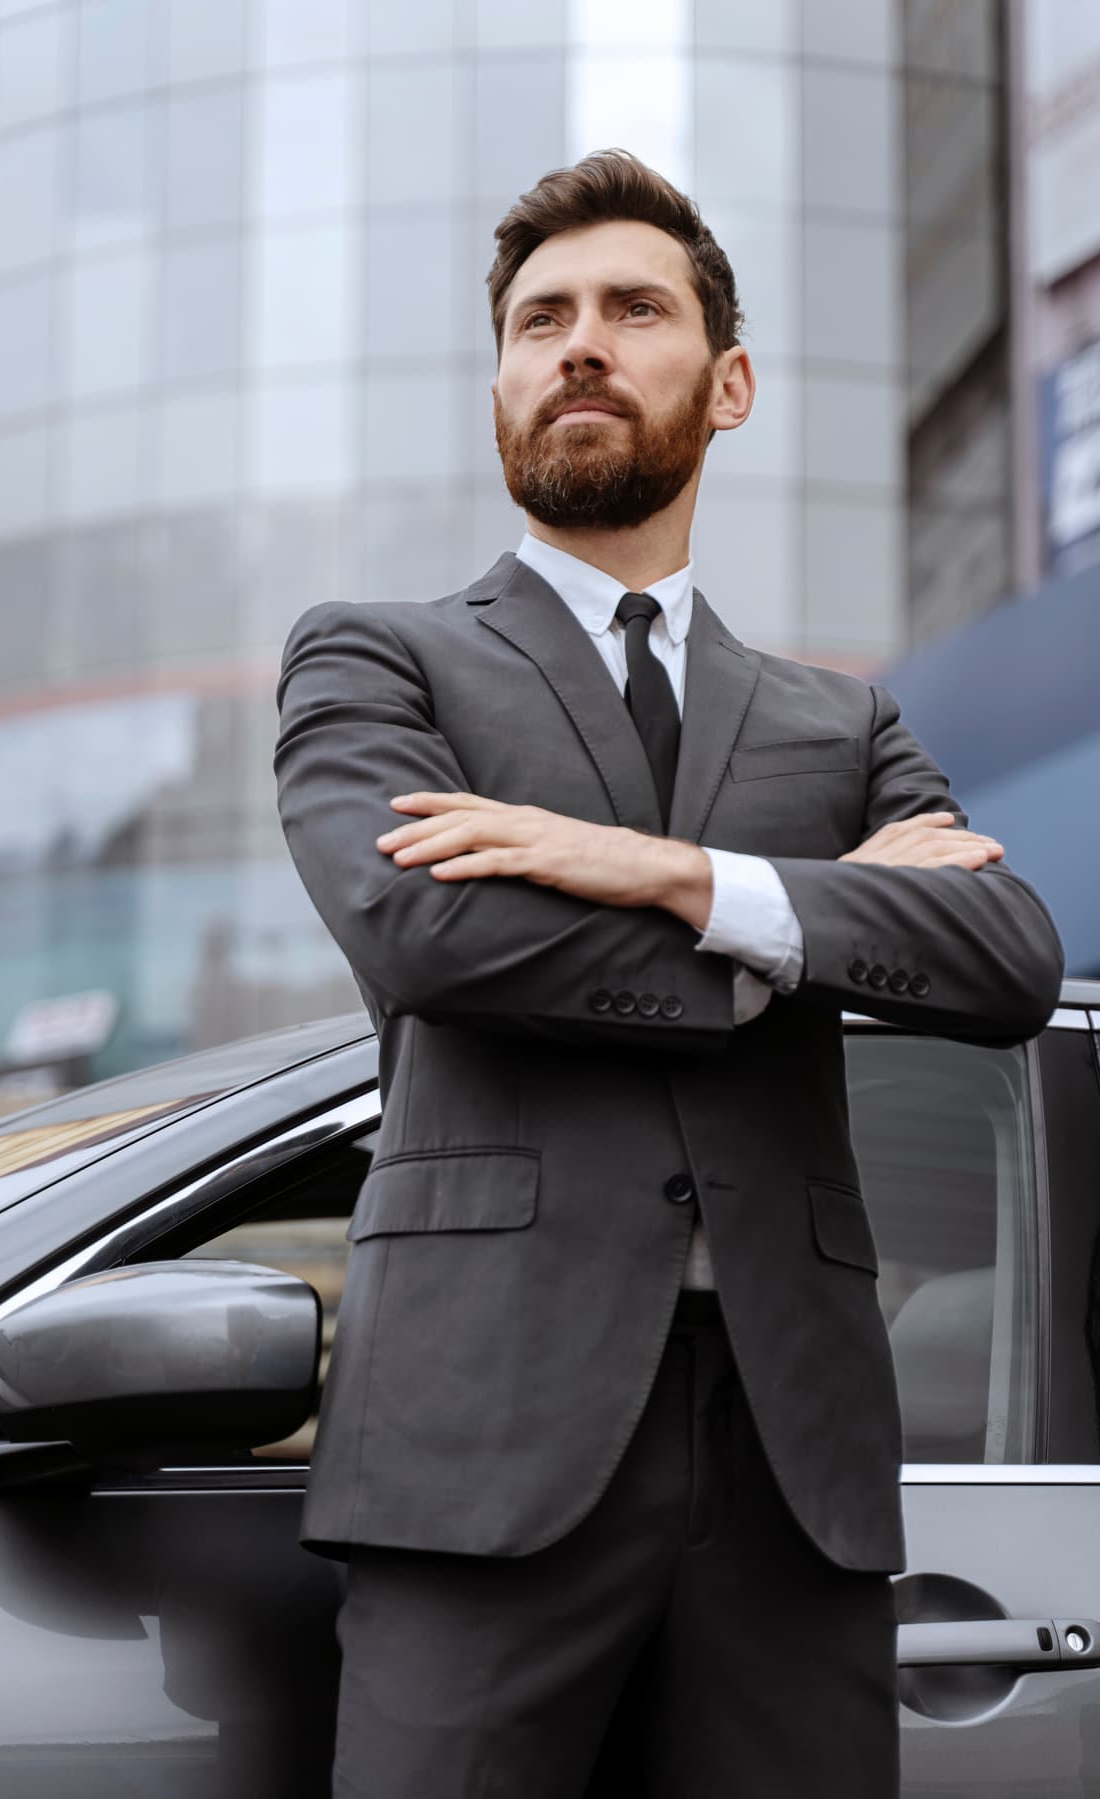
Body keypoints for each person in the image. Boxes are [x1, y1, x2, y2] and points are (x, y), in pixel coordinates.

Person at [274, 149, 1063, 1799]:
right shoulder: (375, 655)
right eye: (539, 319)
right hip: (478, 1449)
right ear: (497, 382)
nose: (580, 343)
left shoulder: (838, 718)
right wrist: (795, 932)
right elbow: (425, 930)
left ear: (730, 382)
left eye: (635, 309)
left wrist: (670, 873)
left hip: (797, 1467)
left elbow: (1001, 959)